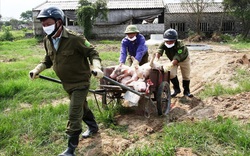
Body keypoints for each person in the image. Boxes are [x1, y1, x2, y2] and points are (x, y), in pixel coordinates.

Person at [29, 6, 103, 156]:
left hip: (80, 82)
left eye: (47, 23)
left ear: (58, 22)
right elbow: (48, 60)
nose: (45, 27)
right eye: (43, 24)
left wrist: (97, 67)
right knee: (82, 106)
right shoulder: (47, 40)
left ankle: (70, 150)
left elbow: (92, 52)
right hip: (66, 83)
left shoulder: (75, 38)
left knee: (74, 112)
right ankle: (93, 126)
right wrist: (37, 70)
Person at [155, 28, 193, 98]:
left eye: (171, 41)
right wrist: (156, 59)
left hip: (184, 60)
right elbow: (159, 50)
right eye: (167, 41)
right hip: (173, 59)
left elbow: (178, 56)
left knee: (186, 75)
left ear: (175, 40)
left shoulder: (181, 45)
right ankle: (176, 89)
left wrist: (172, 63)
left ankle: (186, 91)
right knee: (171, 74)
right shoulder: (163, 43)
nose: (169, 43)